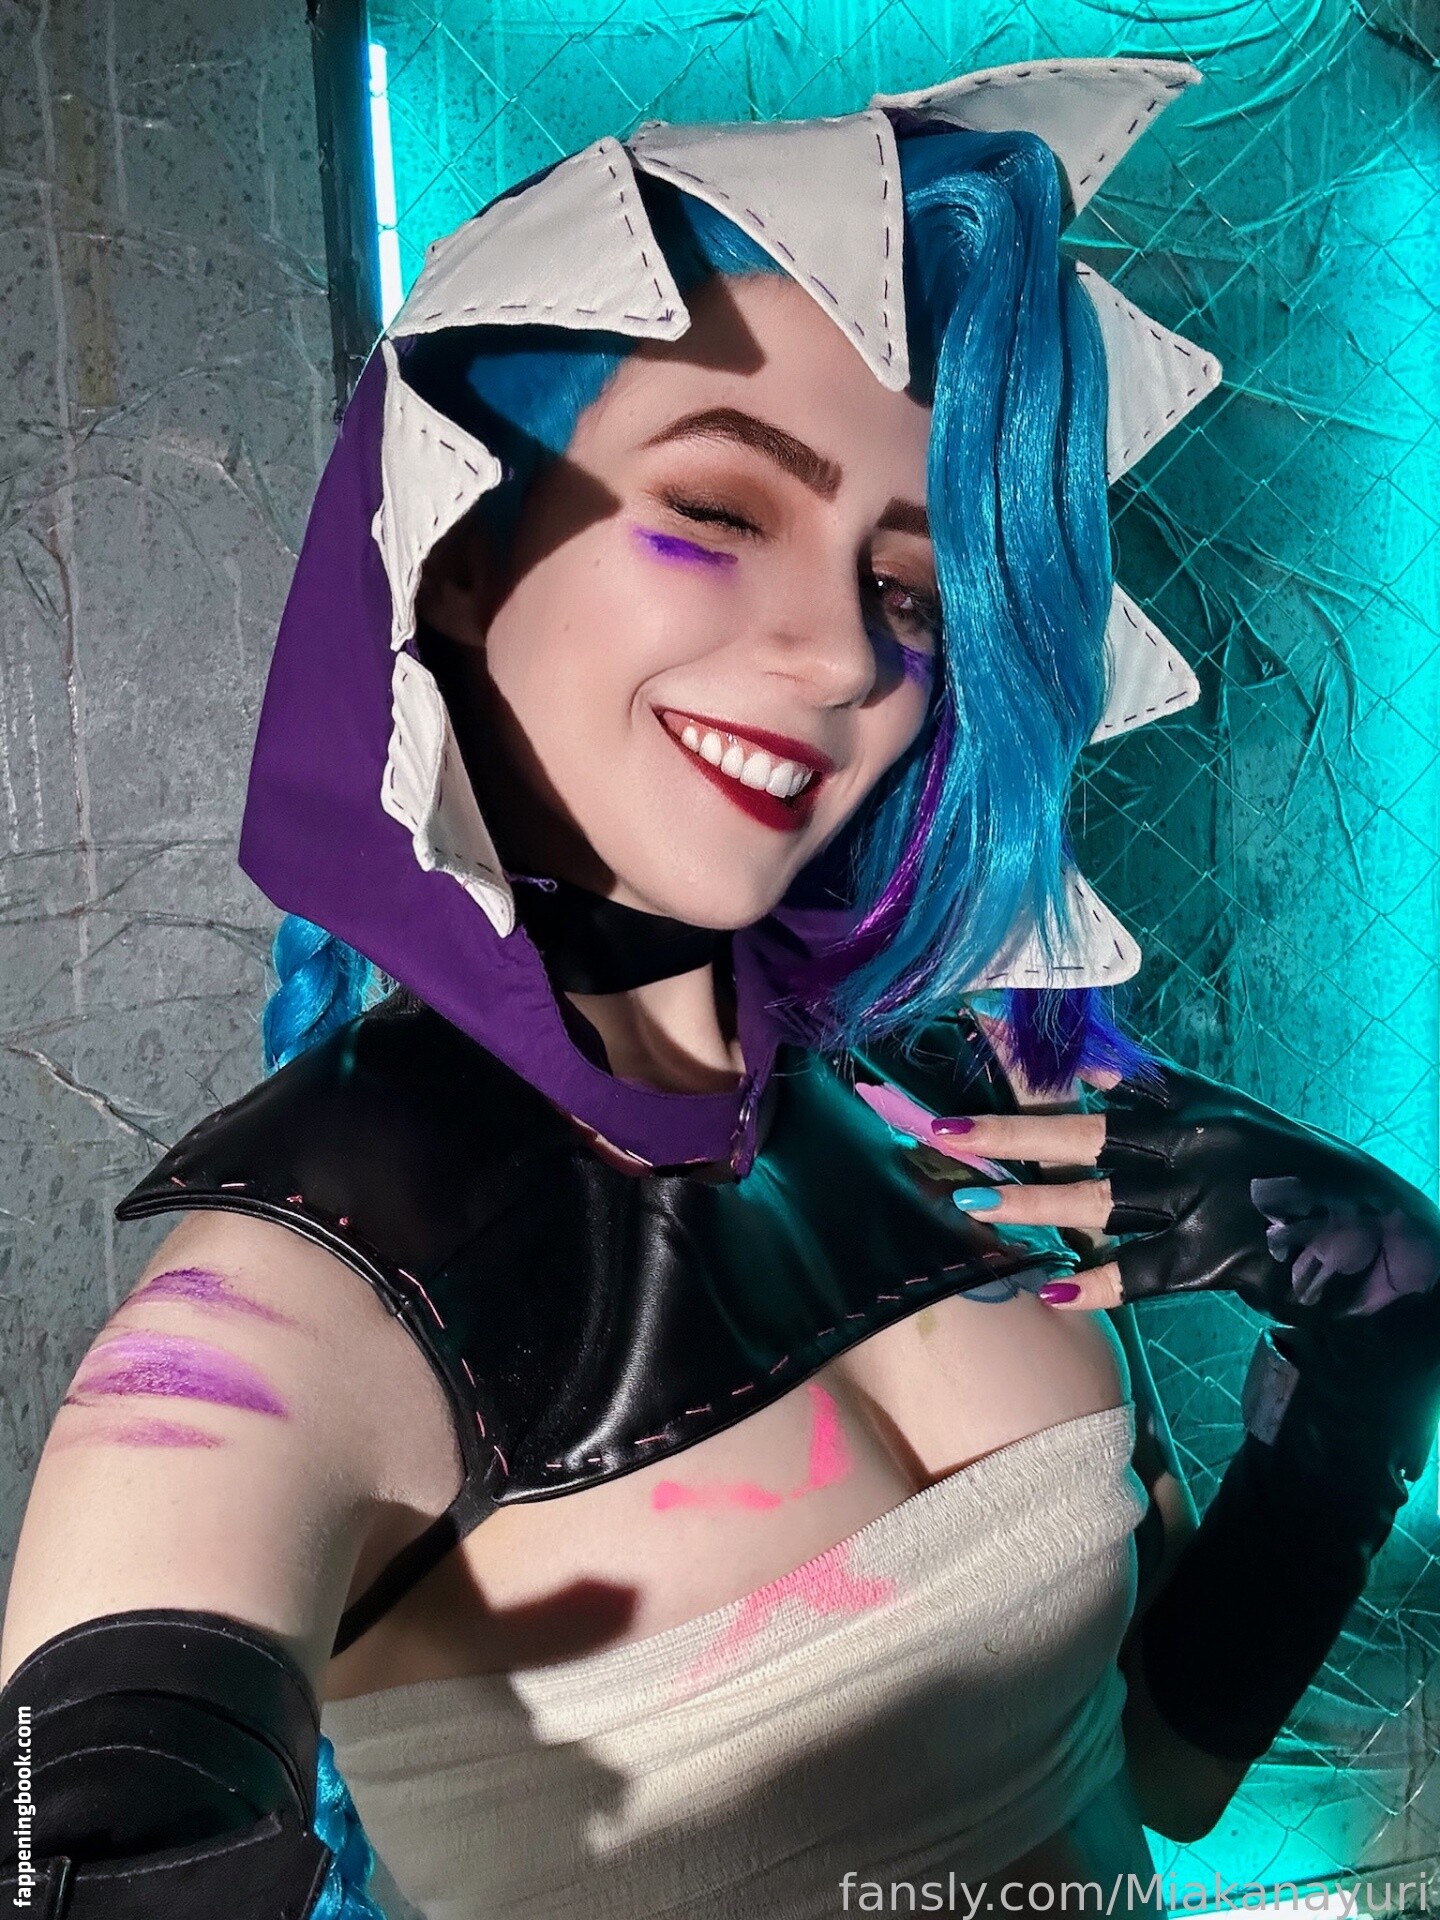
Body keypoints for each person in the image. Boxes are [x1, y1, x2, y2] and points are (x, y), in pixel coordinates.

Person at [3, 55, 1438, 1920]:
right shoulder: (287, 1318)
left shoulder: (960, 1115)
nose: (843, 654)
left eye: (911, 592)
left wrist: (1378, 1332)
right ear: (455, 550)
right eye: (718, 509)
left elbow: (1158, 1767)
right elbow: (91, 1821)